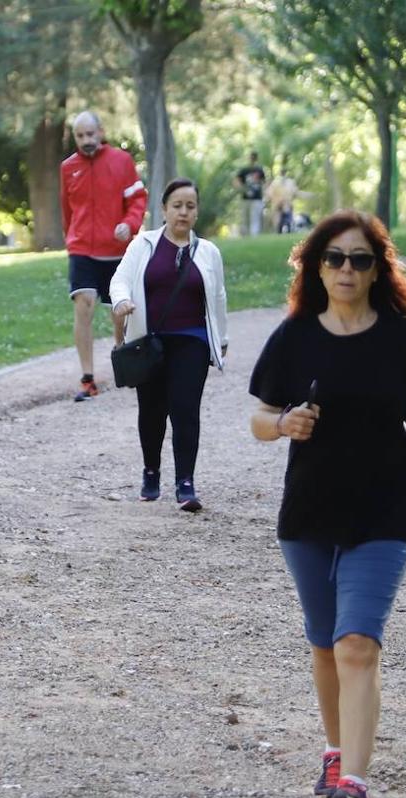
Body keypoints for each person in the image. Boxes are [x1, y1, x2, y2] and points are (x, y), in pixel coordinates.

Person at [248, 210, 406, 798]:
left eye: (361, 259)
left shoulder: (399, 336)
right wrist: (284, 424)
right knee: (324, 642)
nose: (347, 270)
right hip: (311, 509)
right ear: (316, 266)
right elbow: (259, 419)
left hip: (384, 506)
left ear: (379, 269)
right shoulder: (293, 337)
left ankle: (354, 782)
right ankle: (335, 749)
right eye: (335, 259)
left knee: (357, 642)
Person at [110, 178, 229, 511]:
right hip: (150, 342)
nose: (183, 212)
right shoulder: (143, 245)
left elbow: (218, 296)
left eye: (190, 206)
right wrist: (121, 302)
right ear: (163, 209)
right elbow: (119, 279)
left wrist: (221, 339)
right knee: (152, 411)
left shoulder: (208, 252)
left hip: (192, 340)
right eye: (177, 205)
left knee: (185, 410)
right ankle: (151, 471)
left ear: (196, 212)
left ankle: (185, 483)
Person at [61, 111, 147, 401]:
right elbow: (67, 211)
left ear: (100, 132)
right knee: (83, 304)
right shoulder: (68, 168)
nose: (86, 140)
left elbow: (137, 199)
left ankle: (123, 365)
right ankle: (88, 378)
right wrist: (71, 238)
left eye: (90, 134)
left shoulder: (121, 161)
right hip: (82, 247)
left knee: (117, 313)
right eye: (79, 136)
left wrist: (129, 224)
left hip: (116, 250)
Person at [234, 151, 266, 236]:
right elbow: (237, 181)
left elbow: (264, 182)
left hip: (256, 198)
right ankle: (246, 235)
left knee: (254, 218)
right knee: (245, 218)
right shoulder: (244, 170)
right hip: (246, 197)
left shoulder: (260, 170)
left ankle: (253, 235)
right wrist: (242, 189)